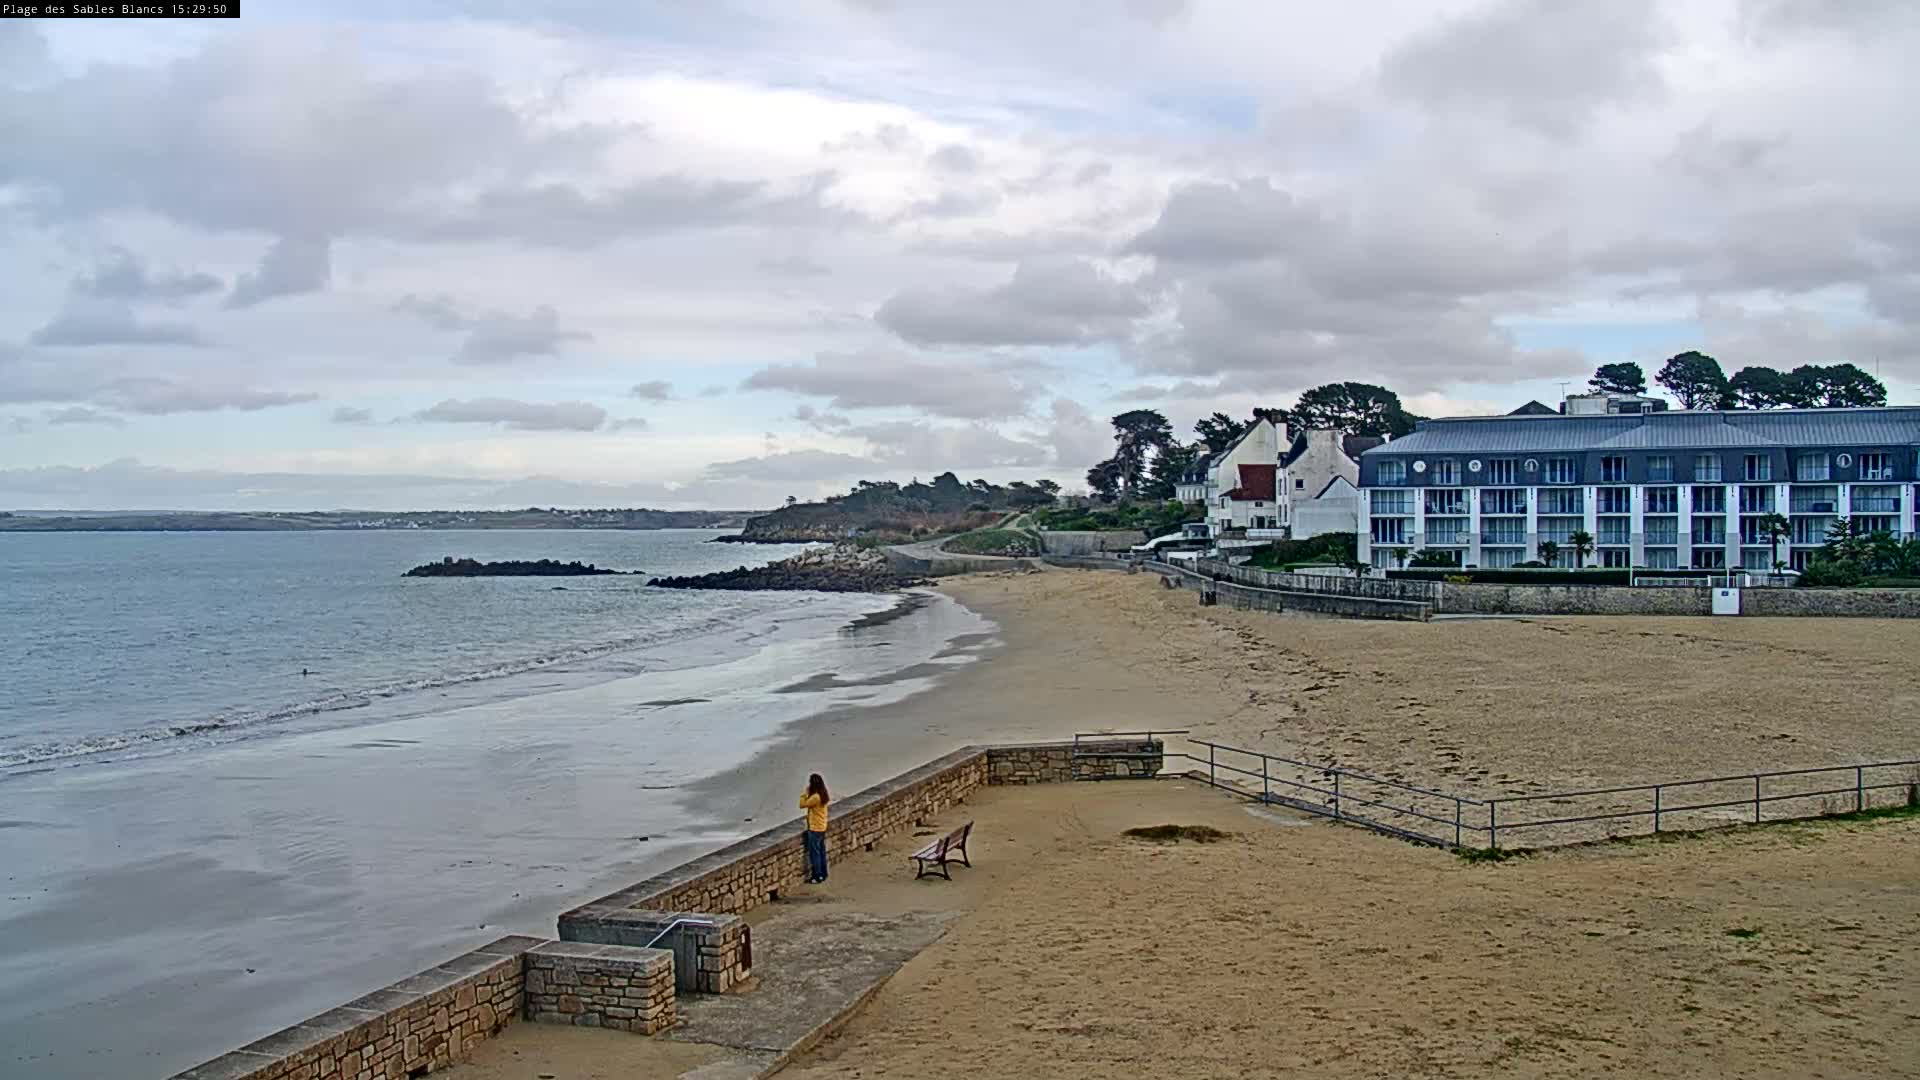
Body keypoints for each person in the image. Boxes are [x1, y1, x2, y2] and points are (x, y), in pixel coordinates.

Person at [799, 773, 831, 884]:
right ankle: (823, 873)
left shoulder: (816, 797)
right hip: (822, 826)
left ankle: (817, 876)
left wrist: (805, 794)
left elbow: (802, 804)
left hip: (815, 828)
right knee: (821, 851)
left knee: (815, 853)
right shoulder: (823, 795)